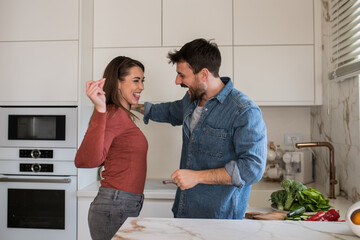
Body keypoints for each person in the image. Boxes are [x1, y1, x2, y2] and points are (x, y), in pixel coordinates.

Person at [132, 38, 267, 219]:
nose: (177, 80)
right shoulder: (191, 100)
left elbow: (252, 168)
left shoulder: (244, 111)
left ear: (204, 74)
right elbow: (169, 111)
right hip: (184, 212)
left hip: (220, 220)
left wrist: (197, 177)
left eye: (182, 75)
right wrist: (130, 106)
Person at [75, 56, 148, 240]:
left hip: (121, 204)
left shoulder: (121, 115)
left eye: (142, 80)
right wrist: (100, 109)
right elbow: (86, 160)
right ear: (117, 83)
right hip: (114, 206)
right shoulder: (112, 113)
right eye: (136, 80)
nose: (141, 87)